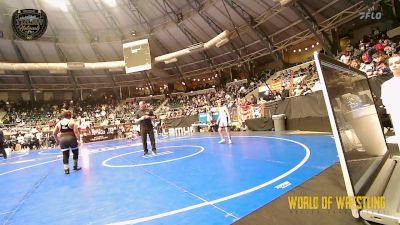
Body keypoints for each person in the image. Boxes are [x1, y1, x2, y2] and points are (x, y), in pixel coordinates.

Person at [53, 110, 81, 174]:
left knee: (65, 155)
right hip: (72, 139)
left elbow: (54, 133)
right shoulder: (72, 122)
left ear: (63, 115)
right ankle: (75, 166)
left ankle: (66, 169)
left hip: (63, 140)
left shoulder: (59, 123)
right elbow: (76, 132)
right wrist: (78, 140)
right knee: (75, 152)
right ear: (70, 115)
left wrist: (57, 141)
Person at [381, 54, 400, 148]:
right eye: (391, 64)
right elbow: (386, 102)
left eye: (397, 62)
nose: (394, 65)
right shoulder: (386, 85)